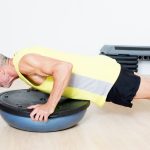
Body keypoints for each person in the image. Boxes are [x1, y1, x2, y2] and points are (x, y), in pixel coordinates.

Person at [0, 47, 148, 122]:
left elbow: (64, 68)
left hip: (106, 79)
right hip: (103, 71)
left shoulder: (24, 63)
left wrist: (49, 106)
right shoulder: (21, 62)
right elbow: (47, 76)